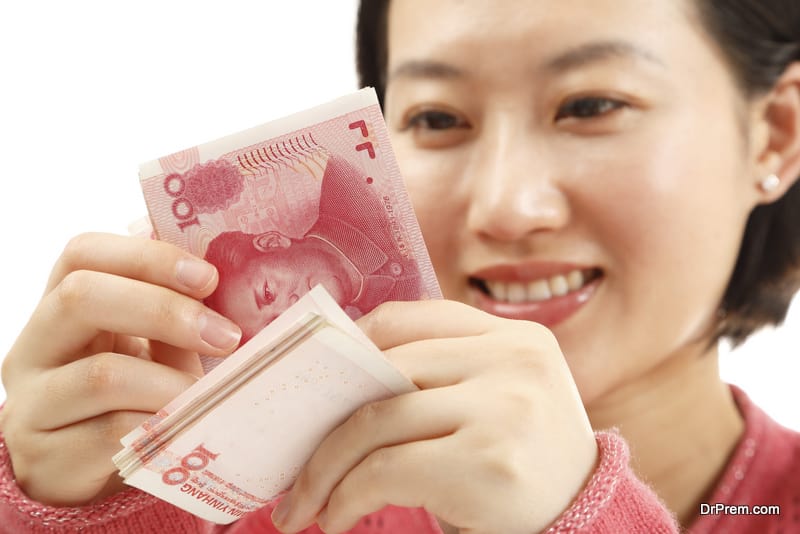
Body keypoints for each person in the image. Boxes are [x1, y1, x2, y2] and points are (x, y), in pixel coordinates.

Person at [1, 0, 799, 533]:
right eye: (440, 118)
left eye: (591, 106)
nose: (505, 206)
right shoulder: (256, 509)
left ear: (777, 134)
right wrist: (79, 512)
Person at [203, 154, 426, 344]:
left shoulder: (347, 178)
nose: (289, 312)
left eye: (268, 293)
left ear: (272, 242)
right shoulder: (397, 337)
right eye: (276, 326)